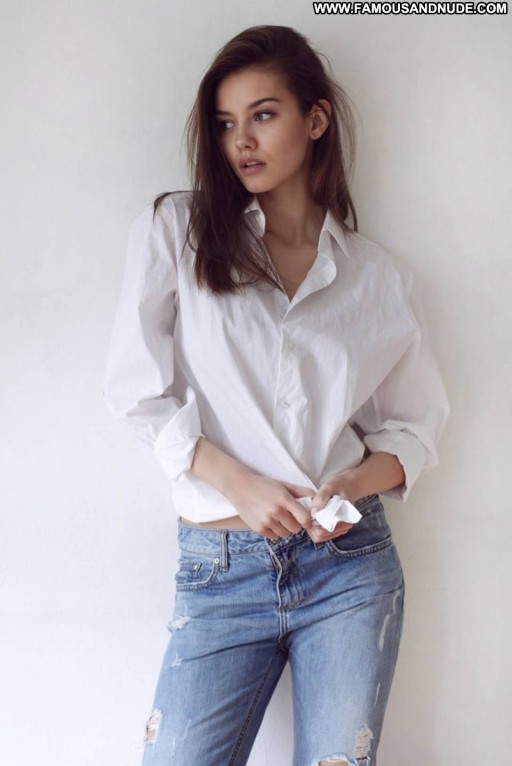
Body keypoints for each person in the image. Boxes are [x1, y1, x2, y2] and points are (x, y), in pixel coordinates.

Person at [103, 24, 449, 766]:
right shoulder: (178, 230)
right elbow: (135, 391)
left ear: (315, 120)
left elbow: (414, 429)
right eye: (225, 122)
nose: (242, 141)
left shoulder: (377, 278)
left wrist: (352, 483)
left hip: (348, 566)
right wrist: (239, 483)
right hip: (220, 568)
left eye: (263, 114)